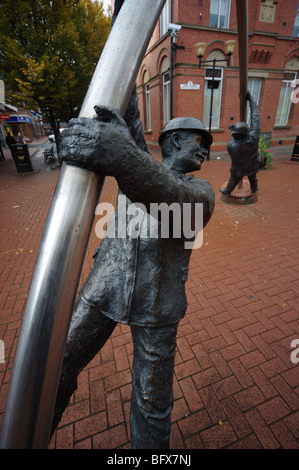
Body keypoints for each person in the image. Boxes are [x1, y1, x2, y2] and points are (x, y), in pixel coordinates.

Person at [50, 106, 215, 449]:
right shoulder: (141, 162)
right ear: (173, 141)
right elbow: (130, 117)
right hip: (104, 288)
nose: (207, 150)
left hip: (158, 307)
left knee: (151, 402)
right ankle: (31, 433)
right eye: (199, 140)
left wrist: (124, 157)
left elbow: (171, 196)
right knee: (55, 368)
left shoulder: (201, 191)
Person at [220, 91, 260, 195]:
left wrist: (232, 128)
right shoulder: (253, 137)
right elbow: (255, 116)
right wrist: (251, 99)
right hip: (252, 165)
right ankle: (254, 189)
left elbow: (234, 138)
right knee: (253, 177)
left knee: (233, 180)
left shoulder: (232, 145)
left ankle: (227, 191)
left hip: (239, 168)